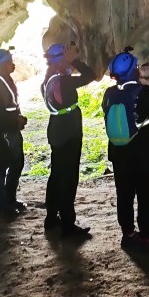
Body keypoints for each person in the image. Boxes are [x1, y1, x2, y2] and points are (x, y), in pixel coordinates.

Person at [102, 48, 149, 251]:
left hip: (119, 152)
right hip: (144, 153)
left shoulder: (110, 93)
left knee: (124, 193)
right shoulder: (144, 92)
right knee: (146, 194)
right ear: (133, 71)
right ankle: (145, 234)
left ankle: (128, 233)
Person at [41, 42, 96, 238]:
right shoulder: (63, 81)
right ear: (60, 60)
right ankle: (68, 224)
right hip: (68, 131)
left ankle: (51, 217)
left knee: (56, 174)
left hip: (56, 128)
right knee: (68, 177)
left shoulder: (48, 80)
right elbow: (90, 76)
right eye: (64, 58)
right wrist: (75, 61)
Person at [0, 48, 27, 217]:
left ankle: (10, 199)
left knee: (17, 164)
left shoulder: (5, 79)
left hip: (12, 130)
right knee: (2, 166)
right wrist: (14, 120)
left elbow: (8, 107)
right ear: (2, 65)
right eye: (9, 60)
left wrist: (17, 118)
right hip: (4, 132)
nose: (12, 63)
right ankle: (0, 206)